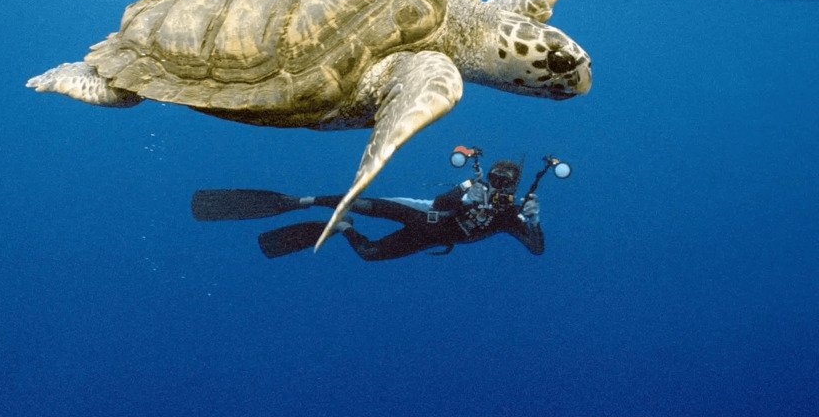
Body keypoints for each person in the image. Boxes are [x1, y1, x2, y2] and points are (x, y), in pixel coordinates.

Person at [191, 146, 571, 261]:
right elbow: (440, 202)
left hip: (429, 238)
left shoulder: (510, 216)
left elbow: (536, 248)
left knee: (370, 253)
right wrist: (465, 191)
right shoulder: (472, 185)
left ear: (517, 185)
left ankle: (342, 229)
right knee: (361, 202)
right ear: (489, 176)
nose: (501, 187)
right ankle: (302, 201)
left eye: (508, 183)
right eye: (497, 180)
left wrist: (535, 222)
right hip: (425, 214)